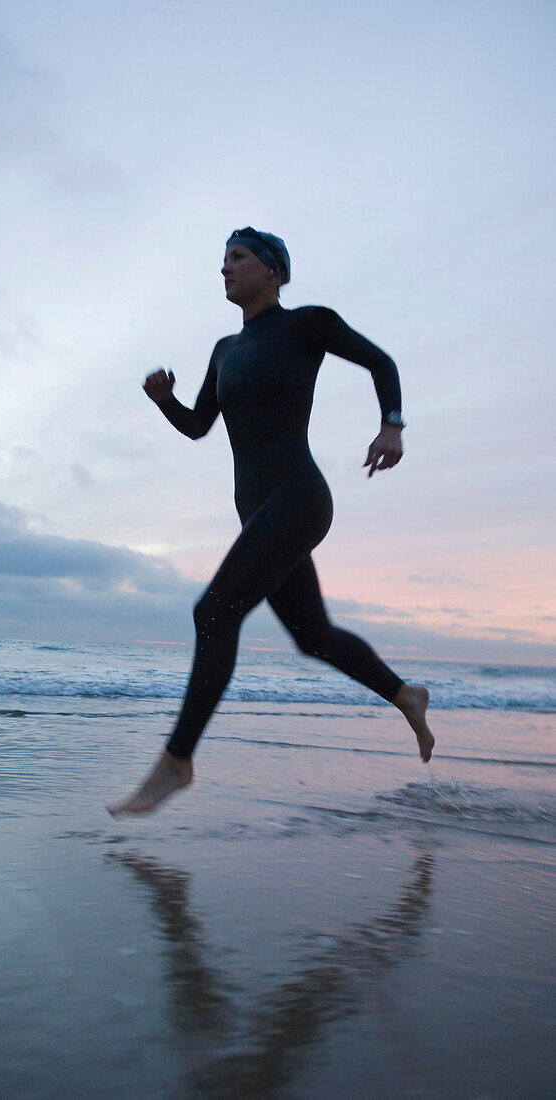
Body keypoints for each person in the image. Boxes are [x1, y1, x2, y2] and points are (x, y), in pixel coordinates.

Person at [109, 227, 434, 816]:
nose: (225, 269)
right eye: (223, 260)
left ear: (272, 270)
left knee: (213, 611)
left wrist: (393, 424)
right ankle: (405, 694)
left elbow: (379, 361)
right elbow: (198, 426)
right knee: (312, 636)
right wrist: (163, 402)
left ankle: (176, 762)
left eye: (237, 258)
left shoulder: (307, 324)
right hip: (260, 511)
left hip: (299, 497)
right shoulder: (224, 352)